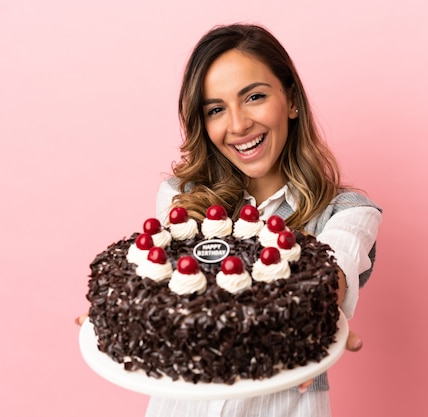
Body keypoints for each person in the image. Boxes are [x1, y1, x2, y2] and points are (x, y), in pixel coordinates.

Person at [77, 23, 381, 417]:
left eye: (253, 97)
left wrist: (313, 322)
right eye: (216, 109)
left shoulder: (349, 212)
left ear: (291, 100)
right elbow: (164, 291)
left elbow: (334, 275)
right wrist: (119, 316)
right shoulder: (181, 197)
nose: (238, 125)